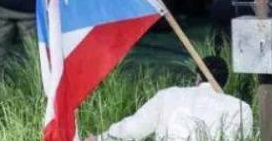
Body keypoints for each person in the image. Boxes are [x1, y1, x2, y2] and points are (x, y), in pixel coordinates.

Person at [86, 55, 253, 141]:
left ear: (197, 77)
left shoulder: (169, 96)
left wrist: (100, 139)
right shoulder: (240, 108)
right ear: (225, 82)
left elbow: (133, 129)